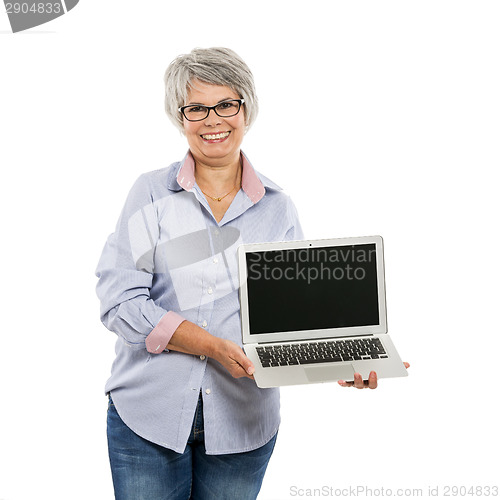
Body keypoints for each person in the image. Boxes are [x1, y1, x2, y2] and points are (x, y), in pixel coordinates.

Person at [96, 47, 408, 500]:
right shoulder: (149, 194)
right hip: (148, 416)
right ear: (179, 117)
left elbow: (297, 316)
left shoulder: (278, 208)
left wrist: (343, 359)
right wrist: (210, 346)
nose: (213, 119)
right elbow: (120, 303)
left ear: (246, 109)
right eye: (196, 108)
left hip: (243, 423)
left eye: (226, 104)